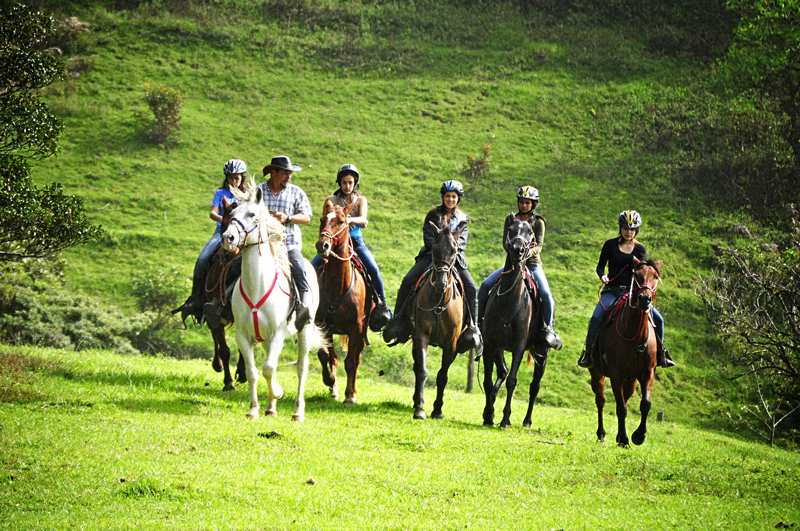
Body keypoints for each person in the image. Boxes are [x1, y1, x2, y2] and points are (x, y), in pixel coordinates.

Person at [383, 179, 481, 352]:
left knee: (472, 288)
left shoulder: (463, 218)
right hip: (431, 256)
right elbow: (428, 237)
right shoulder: (433, 214)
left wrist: (449, 251)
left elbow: (462, 242)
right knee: (408, 280)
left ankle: (473, 328)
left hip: (453, 259)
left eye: (453, 197)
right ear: (443, 197)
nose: (450, 200)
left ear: (458, 199)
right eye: (447, 196)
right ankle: (399, 320)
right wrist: (437, 249)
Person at [577, 210, 675, 368]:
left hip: (633, 293)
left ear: (637, 230)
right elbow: (600, 267)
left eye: (632, 229)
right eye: (625, 228)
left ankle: (661, 354)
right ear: (620, 228)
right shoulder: (609, 245)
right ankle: (588, 353)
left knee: (658, 319)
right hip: (612, 290)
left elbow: (644, 270)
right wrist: (602, 276)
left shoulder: (640, 249)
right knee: (596, 317)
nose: (628, 232)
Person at [477, 185, 562, 349]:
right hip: (512, 265)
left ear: (533, 204)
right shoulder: (510, 219)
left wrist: (525, 254)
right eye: (522, 202)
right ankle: (478, 324)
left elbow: (539, 246)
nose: (524, 205)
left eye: (528, 202)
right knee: (486, 285)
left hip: (532, 265)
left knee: (546, 294)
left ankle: (548, 329)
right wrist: (514, 254)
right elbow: (505, 242)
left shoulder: (538, 222)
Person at [311, 164, 392, 322]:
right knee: (312, 266)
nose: (347, 186)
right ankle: (306, 305)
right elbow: (324, 223)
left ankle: (382, 305)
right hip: (334, 241)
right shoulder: (331, 201)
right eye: (344, 182)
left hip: (355, 240)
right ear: (339, 183)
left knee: (373, 269)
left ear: (355, 183)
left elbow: (364, 220)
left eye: (350, 182)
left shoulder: (360, 200)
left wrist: (348, 219)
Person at [180, 158, 247, 322]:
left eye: (237, 177)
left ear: (242, 177)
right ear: (227, 177)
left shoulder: (247, 195)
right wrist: (223, 220)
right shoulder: (220, 193)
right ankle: (196, 298)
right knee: (203, 259)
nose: (234, 180)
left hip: (243, 236)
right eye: (231, 177)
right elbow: (213, 213)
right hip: (222, 233)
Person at [258, 155, 313, 329]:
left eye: (290, 173)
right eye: (285, 173)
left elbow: (307, 217)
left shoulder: (296, 192)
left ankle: (303, 306)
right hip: (261, 242)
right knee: (237, 265)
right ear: (273, 172)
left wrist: (287, 217)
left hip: (288, 242)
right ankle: (224, 303)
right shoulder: (258, 191)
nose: (289, 177)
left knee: (298, 266)